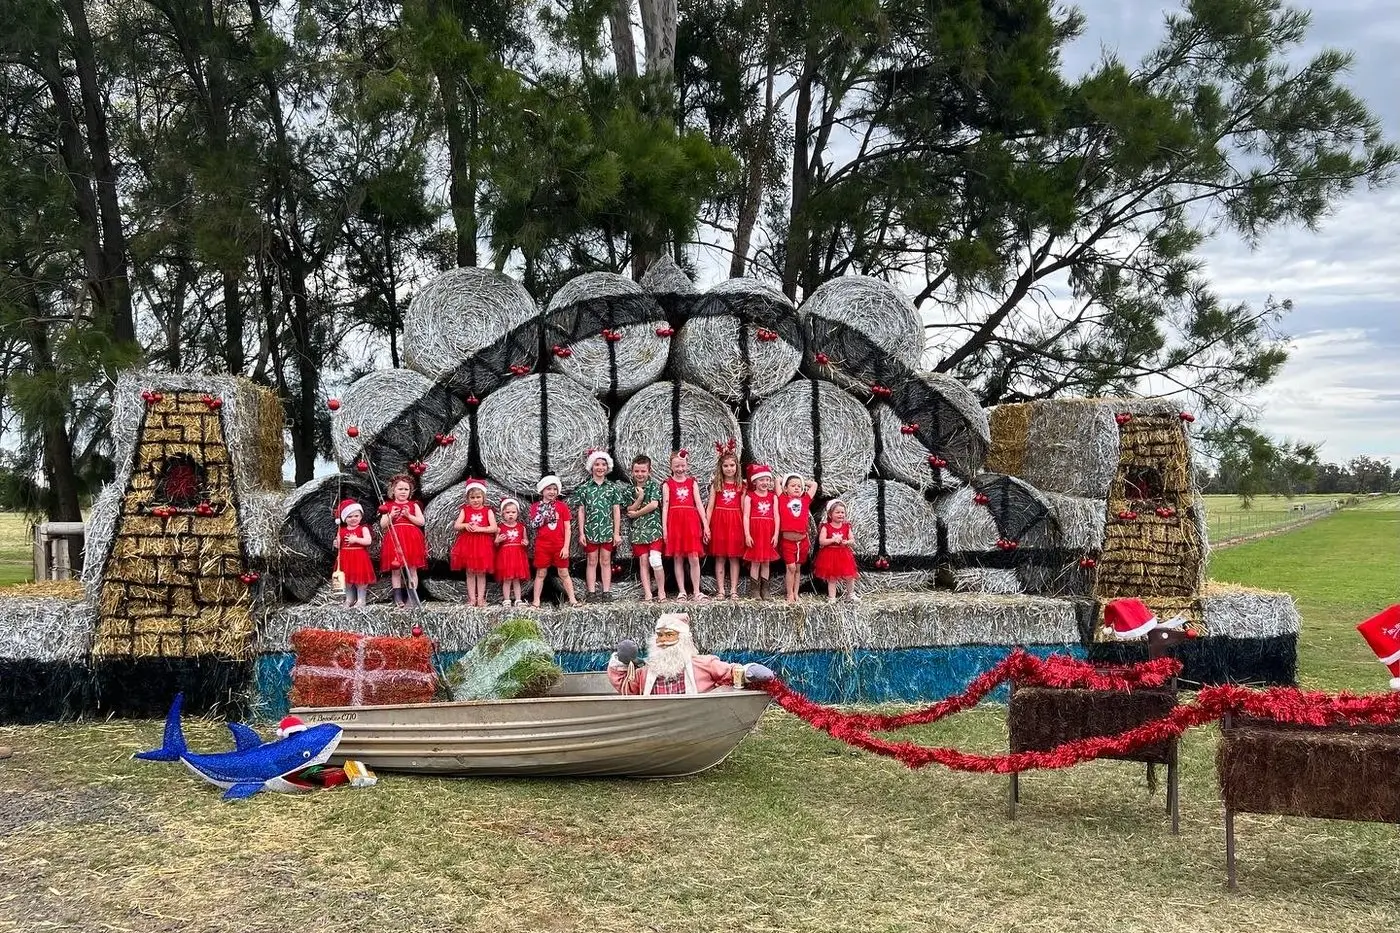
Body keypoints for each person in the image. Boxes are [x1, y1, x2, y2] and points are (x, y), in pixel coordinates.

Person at [607, 613, 775, 695]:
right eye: (660, 636)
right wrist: (622, 661)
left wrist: (748, 671)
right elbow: (626, 688)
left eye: (669, 635)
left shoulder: (702, 664)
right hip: (657, 722)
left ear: (683, 639)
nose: (663, 640)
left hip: (694, 717)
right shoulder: (645, 672)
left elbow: (728, 672)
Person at [568, 450, 627, 601]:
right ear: (591, 467)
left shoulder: (612, 488)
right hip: (591, 531)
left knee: (606, 561)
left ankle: (606, 591)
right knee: (591, 561)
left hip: (607, 530)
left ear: (608, 467)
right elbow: (581, 511)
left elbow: (616, 511)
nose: (600, 467)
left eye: (603, 464)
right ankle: (591, 592)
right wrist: (582, 533)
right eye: (597, 464)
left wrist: (616, 533)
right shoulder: (585, 488)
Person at [661, 450, 710, 601]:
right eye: (677, 466)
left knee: (694, 557)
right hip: (675, 523)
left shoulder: (692, 482)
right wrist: (665, 529)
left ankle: (696, 591)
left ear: (687, 465)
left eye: (682, 465)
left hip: (690, 522)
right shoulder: (667, 484)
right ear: (671, 466)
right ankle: (682, 591)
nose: (680, 469)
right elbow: (665, 507)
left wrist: (705, 525)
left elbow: (699, 504)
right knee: (678, 557)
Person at [529, 475, 580, 608]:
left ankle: (572, 599)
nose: (552, 492)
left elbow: (568, 528)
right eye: (549, 489)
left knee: (563, 573)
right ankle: (536, 600)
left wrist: (566, 547)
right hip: (543, 546)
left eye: (554, 489)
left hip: (559, 545)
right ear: (542, 490)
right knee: (541, 573)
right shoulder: (536, 507)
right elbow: (534, 524)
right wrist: (545, 515)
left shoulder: (562, 506)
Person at [378, 474, 428, 608]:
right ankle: (398, 597)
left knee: (412, 569)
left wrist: (408, 515)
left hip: (411, 539)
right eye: (400, 489)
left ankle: (412, 597)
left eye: (406, 489)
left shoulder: (413, 505)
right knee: (396, 570)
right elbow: (383, 524)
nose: (403, 492)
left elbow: (421, 522)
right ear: (393, 490)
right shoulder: (387, 506)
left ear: (410, 492)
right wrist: (391, 516)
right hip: (394, 539)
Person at [705, 445, 745, 600]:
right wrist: (707, 527)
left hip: (735, 523)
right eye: (726, 466)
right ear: (721, 468)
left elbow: (744, 509)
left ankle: (734, 590)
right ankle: (721, 590)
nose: (729, 469)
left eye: (732, 465)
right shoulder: (717, 485)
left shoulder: (741, 486)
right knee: (720, 557)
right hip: (719, 523)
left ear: (737, 466)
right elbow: (710, 508)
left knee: (734, 557)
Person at [625, 455, 667, 602]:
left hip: (654, 530)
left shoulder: (653, 486)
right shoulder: (630, 489)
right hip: (638, 532)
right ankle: (648, 593)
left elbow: (654, 505)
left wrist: (637, 513)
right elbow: (629, 509)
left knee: (655, 560)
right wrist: (640, 498)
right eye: (637, 471)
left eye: (643, 471)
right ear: (632, 472)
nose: (640, 474)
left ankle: (661, 591)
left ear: (649, 471)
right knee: (643, 562)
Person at [450, 479, 497, 608]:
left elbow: (494, 527)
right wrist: (465, 525)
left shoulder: (488, 511)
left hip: (482, 544)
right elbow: (456, 525)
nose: (475, 500)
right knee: (470, 572)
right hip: (468, 544)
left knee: (481, 572)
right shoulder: (465, 510)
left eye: (478, 497)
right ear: (468, 499)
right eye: (472, 498)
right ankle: (471, 599)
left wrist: (480, 529)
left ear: (483, 497)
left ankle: (480, 599)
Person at [777, 472, 819, 604]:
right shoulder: (782, 499)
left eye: (799, 486)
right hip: (788, 542)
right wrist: (786, 478)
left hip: (802, 542)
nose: (796, 488)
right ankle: (789, 594)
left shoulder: (805, 500)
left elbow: (814, 484)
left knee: (798, 569)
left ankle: (796, 593)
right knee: (791, 568)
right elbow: (777, 480)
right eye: (793, 486)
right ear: (785, 488)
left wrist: (802, 480)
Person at [741, 464, 780, 600]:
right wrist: (747, 535)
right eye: (761, 480)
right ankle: (754, 590)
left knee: (766, 562)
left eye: (767, 480)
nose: (765, 483)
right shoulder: (750, 497)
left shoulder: (773, 497)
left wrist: (776, 534)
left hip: (768, 532)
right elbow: (746, 516)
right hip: (755, 532)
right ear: (755, 482)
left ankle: (765, 589)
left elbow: (776, 516)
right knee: (755, 561)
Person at [813, 499, 859, 603]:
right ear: (830, 514)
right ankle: (832, 597)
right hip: (830, 555)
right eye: (837, 512)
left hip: (844, 554)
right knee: (832, 578)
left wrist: (846, 542)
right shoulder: (826, 527)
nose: (840, 514)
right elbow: (822, 541)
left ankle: (851, 594)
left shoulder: (846, 526)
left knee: (849, 576)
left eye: (842, 512)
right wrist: (832, 540)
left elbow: (852, 540)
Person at [333, 498, 375, 608]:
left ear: (361, 517)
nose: (353, 519)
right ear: (344, 519)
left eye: (356, 516)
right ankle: (349, 599)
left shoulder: (363, 529)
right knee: (347, 580)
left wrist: (356, 540)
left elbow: (368, 541)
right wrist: (336, 543)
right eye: (349, 516)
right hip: (345, 558)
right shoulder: (341, 530)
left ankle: (361, 600)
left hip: (359, 557)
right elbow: (339, 544)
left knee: (360, 580)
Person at [493, 498, 531, 606]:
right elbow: (495, 544)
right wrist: (498, 540)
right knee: (507, 579)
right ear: (503, 514)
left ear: (517, 513)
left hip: (518, 555)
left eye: (513, 512)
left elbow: (526, 540)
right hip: (506, 556)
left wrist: (525, 542)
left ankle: (518, 600)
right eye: (507, 512)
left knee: (516, 579)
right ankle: (507, 600)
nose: (510, 514)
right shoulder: (500, 528)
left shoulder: (521, 527)